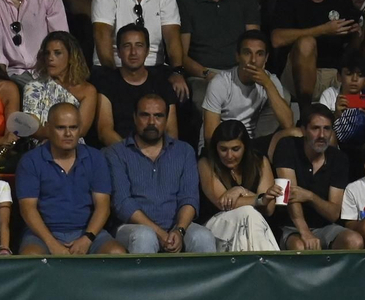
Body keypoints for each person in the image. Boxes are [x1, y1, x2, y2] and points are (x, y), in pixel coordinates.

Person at [106, 93, 216, 254]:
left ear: (166, 119)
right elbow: (122, 203)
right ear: (135, 117)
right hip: (132, 227)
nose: (152, 122)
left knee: (203, 237)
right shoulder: (115, 153)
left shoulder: (184, 151)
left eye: (158, 116)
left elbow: (189, 198)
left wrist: (179, 230)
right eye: (145, 115)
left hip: (176, 226)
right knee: (145, 236)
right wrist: (159, 232)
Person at [15, 102, 125, 254]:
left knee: (116, 253)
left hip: (87, 232)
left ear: (80, 128)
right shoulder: (30, 161)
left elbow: (103, 206)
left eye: (73, 127)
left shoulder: (95, 158)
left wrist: (87, 238)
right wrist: (51, 243)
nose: (68, 134)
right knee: (31, 256)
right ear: (48, 127)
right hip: (42, 235)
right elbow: (28, 209)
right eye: (61, 128)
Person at [271, 0, 361, 103]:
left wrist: (357, 35)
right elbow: (276, 39)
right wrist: (324, 29)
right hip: (296, 74)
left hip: (335, 74)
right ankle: (305, 113)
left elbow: (353, 43)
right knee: (307, 42)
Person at [178, 0, 261, 103]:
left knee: (280, 98)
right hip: (203, 75)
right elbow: (181, 55)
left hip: (242, 72)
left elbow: (255, 44)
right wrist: (207, 74)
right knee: (210, 102)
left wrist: (246, 73)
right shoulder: (186, 0)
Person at [273, 104, 363, 250]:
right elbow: (289, 195)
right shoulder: (287, 146)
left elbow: (333, 213)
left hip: (325, 227)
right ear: (303, 130)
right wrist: (305, 232)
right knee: (300, 246)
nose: (322, 135)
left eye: (327, 128)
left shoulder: (339, 159)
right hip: (292, 226)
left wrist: (310, 196)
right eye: (315, 128)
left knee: (354, 241)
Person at [201, 31, 296, 153]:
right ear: (237, 56)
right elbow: (210, 136)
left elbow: (288, 124)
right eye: (247, 53)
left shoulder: (271, 81)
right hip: (224, 146)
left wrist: (267, 85)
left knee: (295, 134)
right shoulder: (220, 83)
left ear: (266, 58)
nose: (253, 60)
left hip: (251, 144)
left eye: (260, 54)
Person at [197, 118, 282, 252]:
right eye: (223, 149)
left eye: (235, 149)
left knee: (250, 217)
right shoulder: (206, 162)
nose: (229, 155)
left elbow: (269, 209)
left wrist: (242, 191)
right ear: (216, 148)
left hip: (253, 224)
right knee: (247, 212)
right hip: (216, 225)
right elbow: (224, 203)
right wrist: (259, 199)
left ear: (245, 147)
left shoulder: (259, 161)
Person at [92, 24, 179, 146]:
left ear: (147, 50)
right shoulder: (107, 82)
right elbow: (105, 131)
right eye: (127, 46)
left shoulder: (162, 82)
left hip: (158, 154)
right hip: (121, 152)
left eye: (139, 45)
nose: (133, 52)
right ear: (119, 51)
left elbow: (171, 131)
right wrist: (132, 156)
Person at [21, 31, 99, 139]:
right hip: (41, 148)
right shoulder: (34, 87)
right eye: (47, 53)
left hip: (75, 148)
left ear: (71, 56)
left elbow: (81, 131)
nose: (50, 58)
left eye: (57, 53)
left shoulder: (88, 91)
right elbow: (32, 127)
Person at [320, 54, 365, 158]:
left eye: (360, 75)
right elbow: (318, 131)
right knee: (329, 135)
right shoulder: (329, 95)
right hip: (337, 151)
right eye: (349, 74)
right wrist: (336, 115)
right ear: (339, 76)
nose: (354, 79)